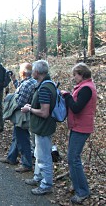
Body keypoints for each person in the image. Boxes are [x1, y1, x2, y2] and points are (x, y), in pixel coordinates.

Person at [61, 63, 97, 204]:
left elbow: (76, 108)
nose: (74, 78)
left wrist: (67, 96)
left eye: (75, 75)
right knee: (72, 158)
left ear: (81, 74)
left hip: (82, 127)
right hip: (78, 126)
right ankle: (78, 186)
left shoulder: (86, 88)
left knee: (73, 159)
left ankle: (82, 191)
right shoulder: (85, 87)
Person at [21, 60, 57, 195]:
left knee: (44, 156)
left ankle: (46, 184)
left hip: (43, 127)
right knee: (38, 153)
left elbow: (44, 112)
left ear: (37, 72)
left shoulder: (44, 88)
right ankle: (38, 177)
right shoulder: (47, 84)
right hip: (41, 127)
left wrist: (30, 109)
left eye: (33, 71)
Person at [0, 63, 37, 173]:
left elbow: (21, 102)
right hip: (26, 113)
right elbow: (20, 89)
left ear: (23, 72)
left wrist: (11, 99)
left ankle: (27, 164)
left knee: (22, 139)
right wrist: (14, 80)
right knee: (17, 136)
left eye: (20, 70)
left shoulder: (27, 84)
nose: (20, 72)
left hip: (23, 115)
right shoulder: (29, 82)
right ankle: (11, 157)